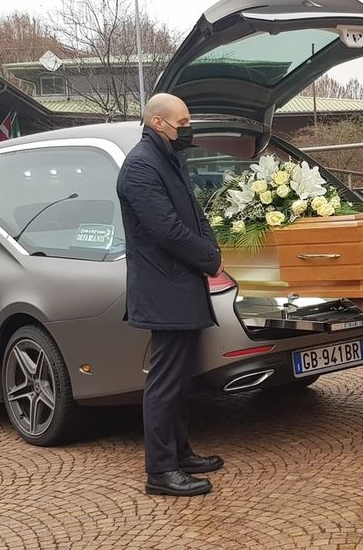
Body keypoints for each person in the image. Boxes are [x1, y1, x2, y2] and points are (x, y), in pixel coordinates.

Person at [116, 93, 224, 497]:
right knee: (165, 383)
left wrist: (211, 250)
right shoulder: (141, 166)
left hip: (180, 284)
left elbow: (194, 217)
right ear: (158, 123)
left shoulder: (167, 159)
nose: (188, 129)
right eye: (183, 123)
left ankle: (180, 453)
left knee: (180, 380)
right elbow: (166, 230)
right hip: (164, 288)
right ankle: (160, 471)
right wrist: (209, 260)